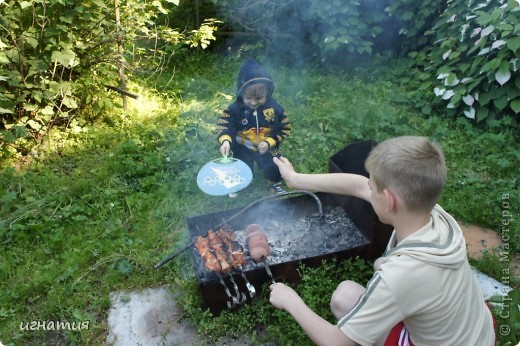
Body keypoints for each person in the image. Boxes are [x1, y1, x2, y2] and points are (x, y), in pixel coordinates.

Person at [269, 136, 495, 346]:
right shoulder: (435, 215)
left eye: (372, 185)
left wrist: (291, 301)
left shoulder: (398, 276)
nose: (367, 186)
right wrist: (295, 179)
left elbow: (337, 342)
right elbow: (357, 185)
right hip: (477, 333)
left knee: (343, 298)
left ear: (388, 200)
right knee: (360, 283)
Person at [217, 59, 291, 197]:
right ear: (241, 92)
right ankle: (239, 182)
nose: (253, 102)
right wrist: (226, 141)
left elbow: (284, 129)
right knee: (241, 166)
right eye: (248, 98)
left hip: (268, 147)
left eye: (259, 98)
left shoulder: (275, 110)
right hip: (243, 147)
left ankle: (274, 182)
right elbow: (225, 125)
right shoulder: (234, 110)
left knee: (274, 164)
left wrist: (270, 142)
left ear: (268, 93)